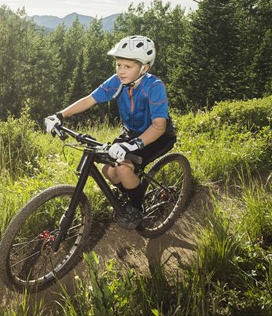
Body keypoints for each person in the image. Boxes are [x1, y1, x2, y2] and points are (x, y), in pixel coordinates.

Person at [45, 35, 176, 229]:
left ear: (144, 68)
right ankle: (133, 190)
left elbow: (159, 126)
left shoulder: (154, 87)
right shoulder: (117, 82)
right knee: (109, 170)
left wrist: (132, 145)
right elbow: (90, 99)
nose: (121, 71)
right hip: (130, 134)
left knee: (123, 167)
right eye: (118, 65)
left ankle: (136, 208)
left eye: (127, 66)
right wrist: (60, 115)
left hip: (158, 136)